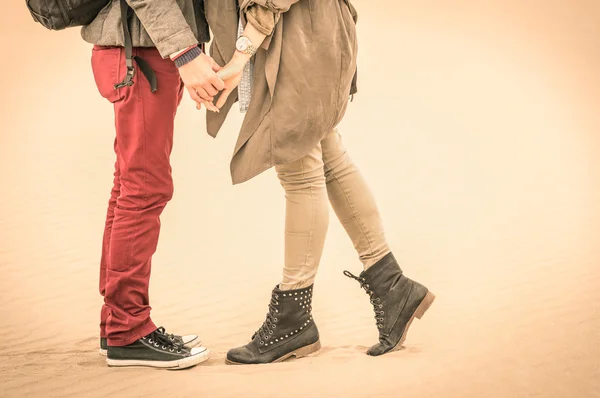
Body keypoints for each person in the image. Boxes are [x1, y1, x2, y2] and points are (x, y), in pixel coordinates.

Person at [202, 0, 436, 365]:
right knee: (329, 159)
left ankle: (293, 319)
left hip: (298, 41)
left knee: (300, 173)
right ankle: (393, 287)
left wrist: (239, 55)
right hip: (311, 34)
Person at [83, 0, 224, 369]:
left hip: (144, 50)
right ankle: (128, 332)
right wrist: (186, 52)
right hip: (141, 53)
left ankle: (117, 322)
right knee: (144, 188)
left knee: (130, 185)